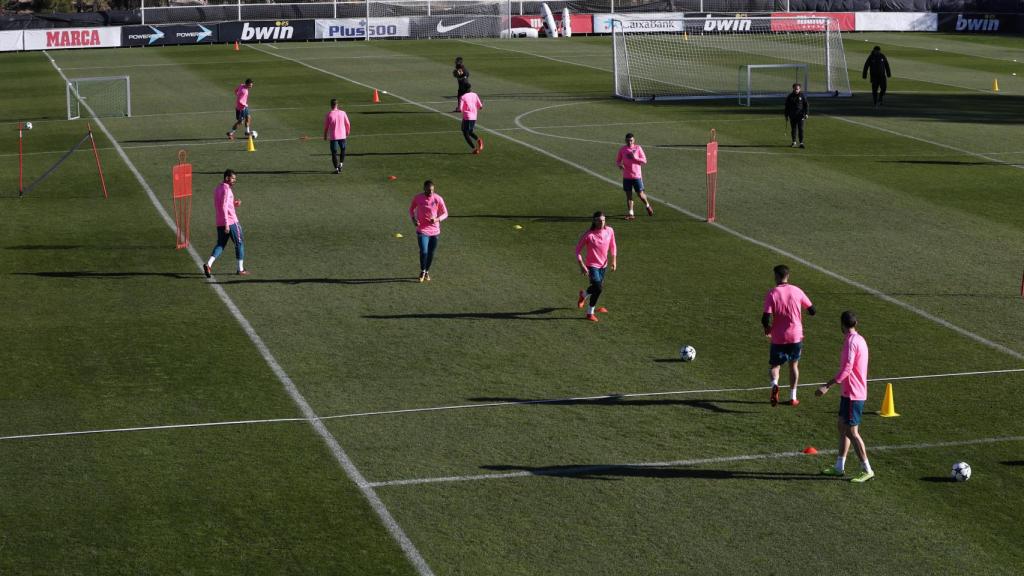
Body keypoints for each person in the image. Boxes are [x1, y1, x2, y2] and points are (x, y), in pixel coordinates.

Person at [816, 310, 874, 483]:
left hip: (853, 393)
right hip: (850, 392)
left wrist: (827, 385)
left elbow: (847, 369)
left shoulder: (851, 342)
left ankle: (867, 469)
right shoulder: (860, 339)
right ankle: (839, 467)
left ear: (842, 324)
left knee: (852, 431)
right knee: (842, 426)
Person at [762, 264, 815, 406]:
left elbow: (765, 317)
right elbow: (812, 310)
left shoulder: (772, 293)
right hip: (796, 336)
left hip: (779, 336)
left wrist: (767, 328)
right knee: (794, 365)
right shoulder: (797, 290)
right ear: (788, 276)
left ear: (777, 276)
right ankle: (793, 397)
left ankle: (774, 385)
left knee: (775, 366)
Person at [203, 169, 248, 277]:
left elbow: (223, 204)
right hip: (231, 221)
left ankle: (208, 264)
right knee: (239, 243)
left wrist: (234, 203)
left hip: (219, 221)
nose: (234, 181)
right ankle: (240, 269)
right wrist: (227, 223)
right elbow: (223, 205)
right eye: (233, 178)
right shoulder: (226, 189)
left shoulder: (217, 188)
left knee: (221, 244)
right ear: (227, 178)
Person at [575, 211, 617, 323]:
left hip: (604, 265)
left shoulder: (610, 231)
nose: (602, 222)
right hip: (592, 266)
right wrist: (582, 266)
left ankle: (583, 295)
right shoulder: (589, 235)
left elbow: (613, 246)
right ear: (594, 221)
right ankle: (590, 313)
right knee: (598, 288)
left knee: (596, 288)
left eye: (603, 220)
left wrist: (614, 261)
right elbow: (577, 251)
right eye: (599, 220)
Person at [409, 180, 448, 282]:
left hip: (435, 231)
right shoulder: (418, 198)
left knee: (431, 252)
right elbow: (411, 209)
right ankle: (422, 270)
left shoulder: (438, 198)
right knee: (424, 251)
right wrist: (413, 219)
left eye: (432, 190)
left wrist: (437, 219)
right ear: (424, 189)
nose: (431, 192)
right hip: (422, 230)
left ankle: (426, 272)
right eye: (428, 190)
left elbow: (445, 213)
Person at [615, 133, 654, 221]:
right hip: (626, 176)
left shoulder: (638, 148)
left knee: (640, 195)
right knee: (628, 196)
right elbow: (618, 160)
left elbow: (644, 161)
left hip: (636, 176)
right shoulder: (622, 149)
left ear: (634, 140)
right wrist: (620, 165)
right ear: (625, 140)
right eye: (628, 140)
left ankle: (647, 205)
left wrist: (635, 157)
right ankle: (631, 213)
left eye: (631, 140)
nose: (630, 142)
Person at [323, 98, 351, 174]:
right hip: (342, 135)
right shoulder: (343, 113)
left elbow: (326, 126)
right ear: (337, 105)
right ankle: (341, 164)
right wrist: (347, 132)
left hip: (334, 137)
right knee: (343, 149)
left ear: (331, 105)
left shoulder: (329, 114)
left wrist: (325, 135)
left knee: (334, 153)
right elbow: (348, 124)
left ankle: (336, 169)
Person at [458, 83, 484, 154]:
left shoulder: (463, 97)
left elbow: (460, 109)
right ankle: (479, 140)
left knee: (465, 133)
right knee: (470, 132)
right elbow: (480, 106)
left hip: (467, 117)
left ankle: (475, 149)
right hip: (474, 116)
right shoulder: (475, 95)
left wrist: (460, 109)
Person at [784, 83, 808, 148]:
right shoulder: (790, 96)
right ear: (793, 89)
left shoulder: (802, 96)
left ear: (800, 89)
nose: (796, 90)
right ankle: (794, 142)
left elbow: (806, 105)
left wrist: (806, 113)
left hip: (800, 116)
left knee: (801, 129)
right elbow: (786, 107)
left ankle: (801, 143)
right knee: (793, 129)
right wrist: (786, 115)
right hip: (792, 115)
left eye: (797, 89)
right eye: (795, 89)